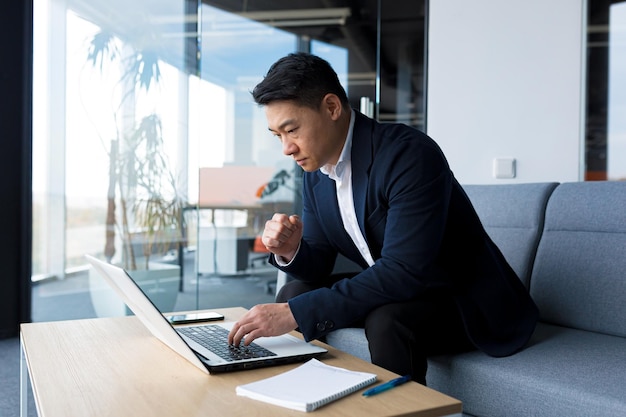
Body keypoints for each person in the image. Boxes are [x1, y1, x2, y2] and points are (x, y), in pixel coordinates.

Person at [227, 52, 539, 385]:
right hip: (403, 288)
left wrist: (296, 314)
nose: (286, 148)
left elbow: (404, 271)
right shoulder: (316, 171)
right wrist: (291, 249)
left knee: (386, 321)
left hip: (463, 301)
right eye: (278, 136)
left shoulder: (408, 155)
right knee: (295, 292)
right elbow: (317, 261)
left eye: (292, 130)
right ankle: (308, 397)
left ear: (331, 107)